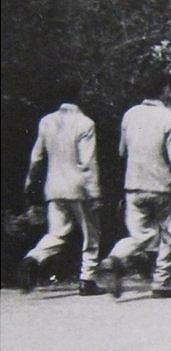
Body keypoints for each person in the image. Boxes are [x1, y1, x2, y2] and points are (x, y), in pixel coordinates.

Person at [100, 82, 171, 299]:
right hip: (161, 185)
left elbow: (121, 150)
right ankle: (162, 283)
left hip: (133, 184)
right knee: (167, 235)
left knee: (139, 234)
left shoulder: (129, 115)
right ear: (164, 90)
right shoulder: (169, 117)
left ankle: (116, 256)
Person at [18, 103, 105, 296]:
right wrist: (95, 192)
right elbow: (88, 161)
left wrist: (30, 182)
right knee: (91, 234)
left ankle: (33, 257)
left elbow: (36, 157)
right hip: (79, 187)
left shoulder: (47, 121)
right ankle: (87, 279)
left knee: (57, 233)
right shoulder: (85, 123)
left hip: (54, 186)